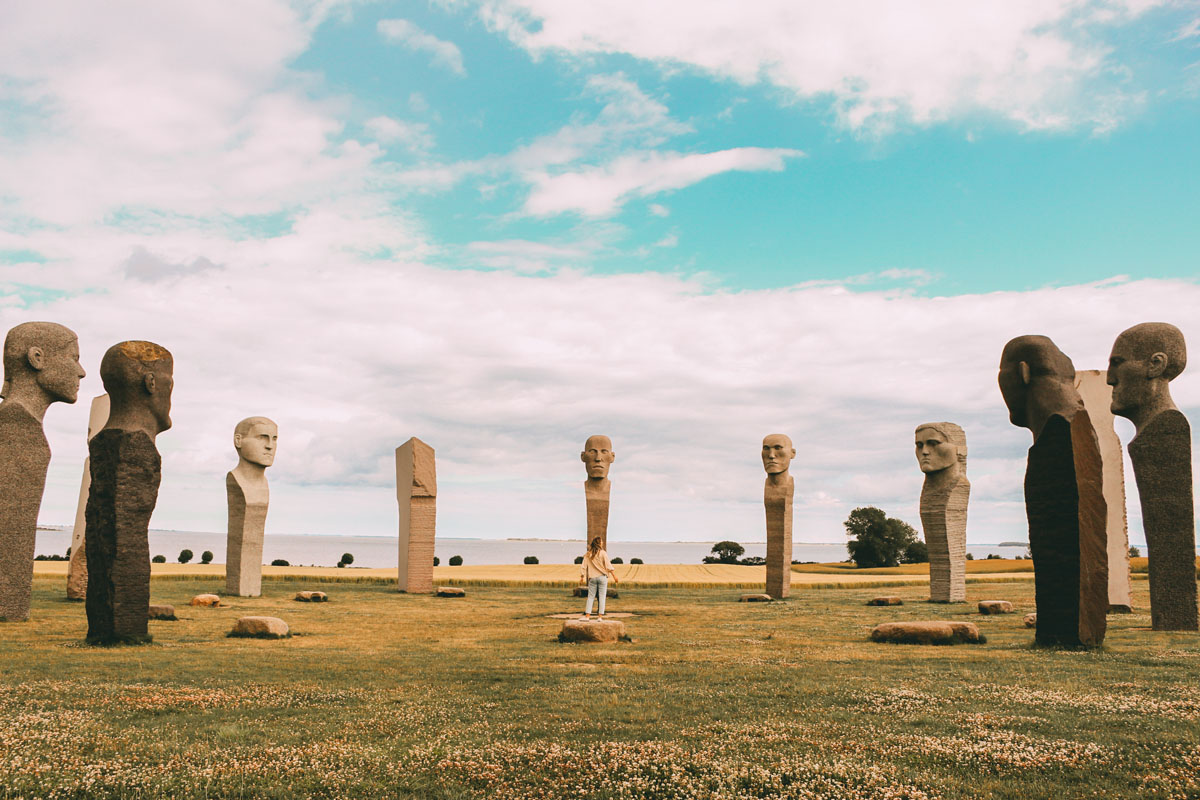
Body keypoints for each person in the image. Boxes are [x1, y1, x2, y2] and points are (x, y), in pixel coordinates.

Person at [579, 535, 618, 620]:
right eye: (601, 541)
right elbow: (608, 565)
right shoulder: (603, 553)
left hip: (592, 578)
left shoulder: (588, 554)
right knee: (602, 596)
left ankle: (587, 616)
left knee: (590, 597)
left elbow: (583, 566)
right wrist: (614, 576)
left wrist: (582, 576)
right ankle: (600, 617)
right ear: (599, 543)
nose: (602, 543)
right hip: (602, 577)